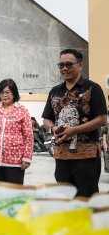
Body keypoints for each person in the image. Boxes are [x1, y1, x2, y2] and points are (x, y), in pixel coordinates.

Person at [42, 49, 108, 197]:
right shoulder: (55, 92)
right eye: (61, 65)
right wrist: (53, 128)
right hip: (61, 156)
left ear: (80, 65)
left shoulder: (92, 88)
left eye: (69, 64)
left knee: (86, 199)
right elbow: (47, 119)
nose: (65, 68)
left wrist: (74, 130)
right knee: (66, 200)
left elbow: (102, 119)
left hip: (86, 157)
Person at [0, 79, 33, 185]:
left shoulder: (22, 110)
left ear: (14, 92)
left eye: (7, 92)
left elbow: (28, 136)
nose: (4, 95)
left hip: (16, 159)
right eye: (1, 92)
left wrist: (26, 158)